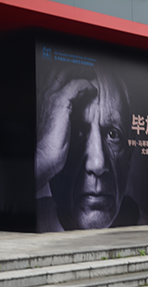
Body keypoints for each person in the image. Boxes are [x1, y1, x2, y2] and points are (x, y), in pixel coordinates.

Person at [35, 66, 138, 232]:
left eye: (113, 134)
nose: (97, 164)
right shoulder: (21, 217)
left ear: (129, 153)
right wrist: (41, 157)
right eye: (76, 133)